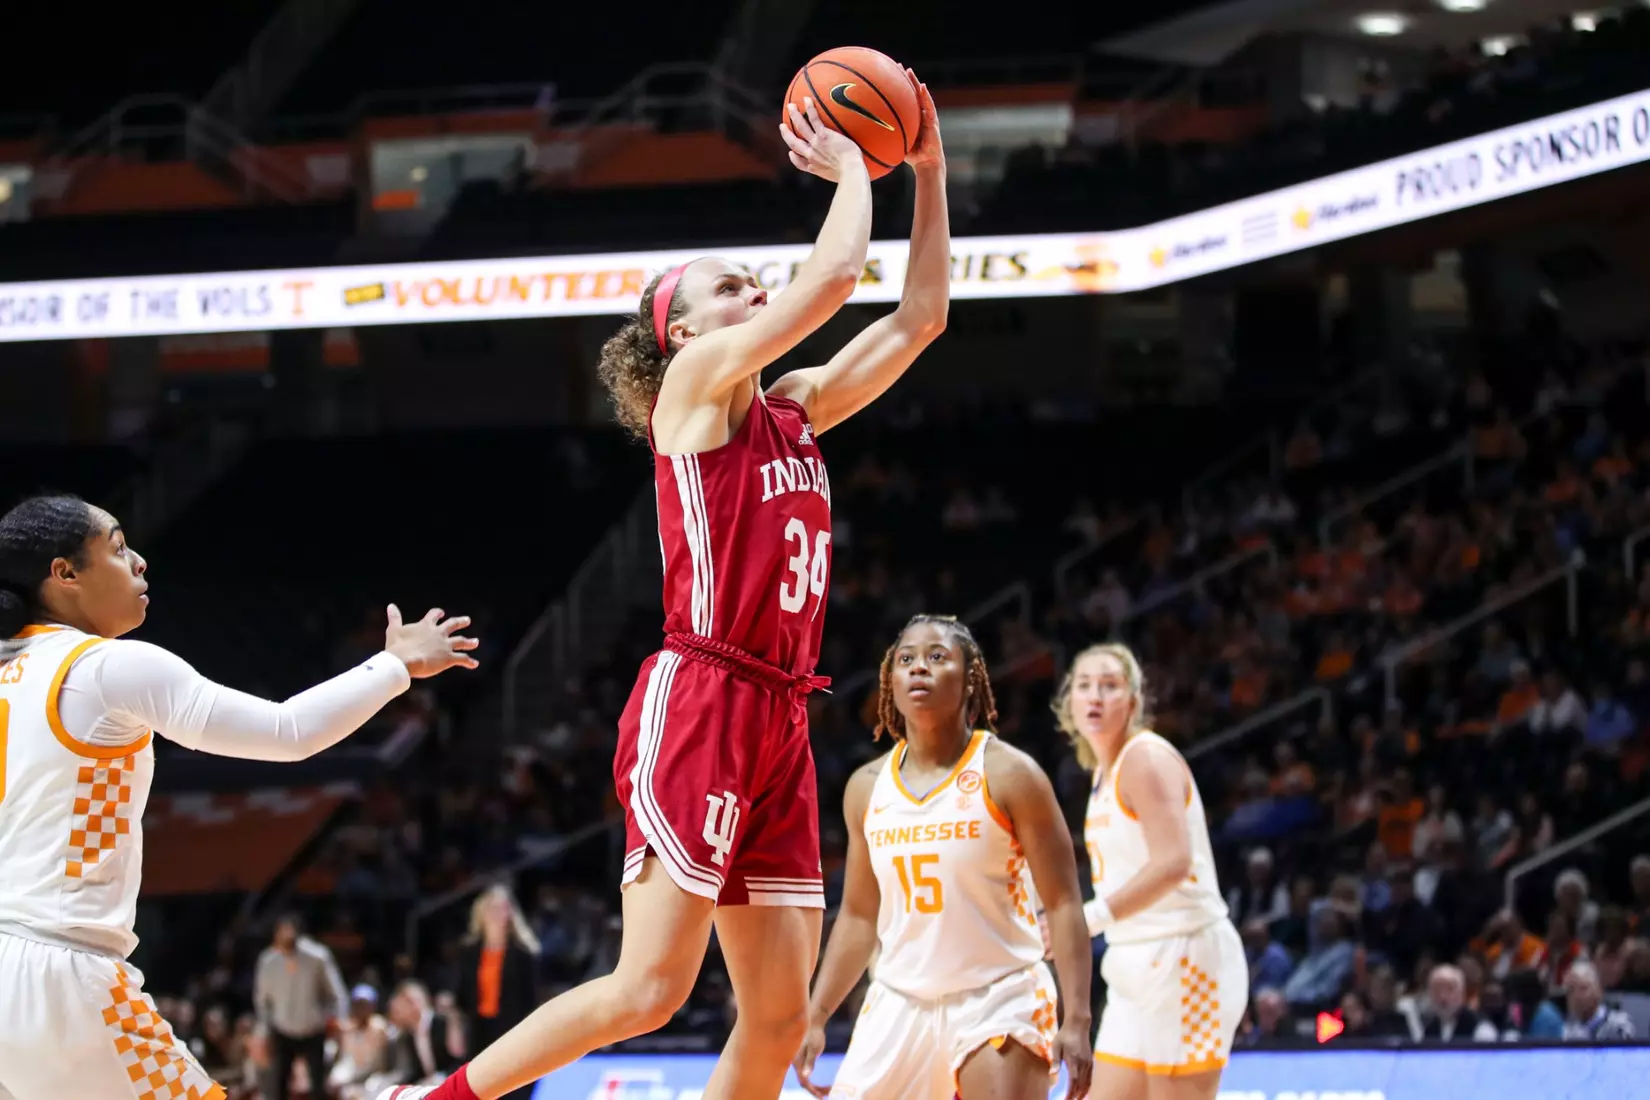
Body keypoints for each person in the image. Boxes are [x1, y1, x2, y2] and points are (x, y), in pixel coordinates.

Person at [380, 78, 951, 1100]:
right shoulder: (692, 397)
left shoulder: (795, 407)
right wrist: (860, 165)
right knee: (650, 984)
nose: (752, 293)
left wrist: (930, 166)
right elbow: (829, 285)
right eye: (729, 290)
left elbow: (920, 318)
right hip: (703, 695)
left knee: (778, 1014)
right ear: (684, 333)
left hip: (781, 710)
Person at [0, 493, 478, 1100]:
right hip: (60, 974)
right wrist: (395, 666)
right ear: (64, 575)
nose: (141, 562)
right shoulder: (104, 668)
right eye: (118, 550)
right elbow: (288, 732)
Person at [793, 616, 1093, 1100]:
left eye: (937, 657)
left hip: (1000, 993)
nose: (919, 669)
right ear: (890, 679)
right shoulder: (867, 789)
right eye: (906, 659)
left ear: (970, 677)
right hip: (899, 999)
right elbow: (859, 915)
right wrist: (817, 1011)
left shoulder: (1012, 775)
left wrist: (1077, 1018)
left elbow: (1062, 903)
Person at [1061, 643, 1247, 1099]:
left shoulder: (1145, 758)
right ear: (1069, 701)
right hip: (1135, 968)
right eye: (1084, 686)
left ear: (1134, 700)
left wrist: (1088, 918)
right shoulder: (1103, 774)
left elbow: (1174, 861)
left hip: (1186, 958)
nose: (1095, 696)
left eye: (1109, 685)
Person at [454, 886, 541, 1100]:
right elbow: (461, 996)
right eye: (492, 908)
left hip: (513, 1034)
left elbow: (532, 1001)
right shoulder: (469, 951)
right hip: (479, 1033)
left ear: (511, 914)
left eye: (502, 908)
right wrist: (455, 1024)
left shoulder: (523, 954)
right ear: (481, 913)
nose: (496, 913)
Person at [253, 913, 348, 1100]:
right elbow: (262, 1000)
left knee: (318, 1087)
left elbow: (337, 994)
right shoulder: (268, 961)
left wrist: (336, 1020)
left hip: (313, 1028)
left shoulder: (317, 957)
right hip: (282, 1029)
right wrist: (264, 1030)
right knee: (278, 1087)